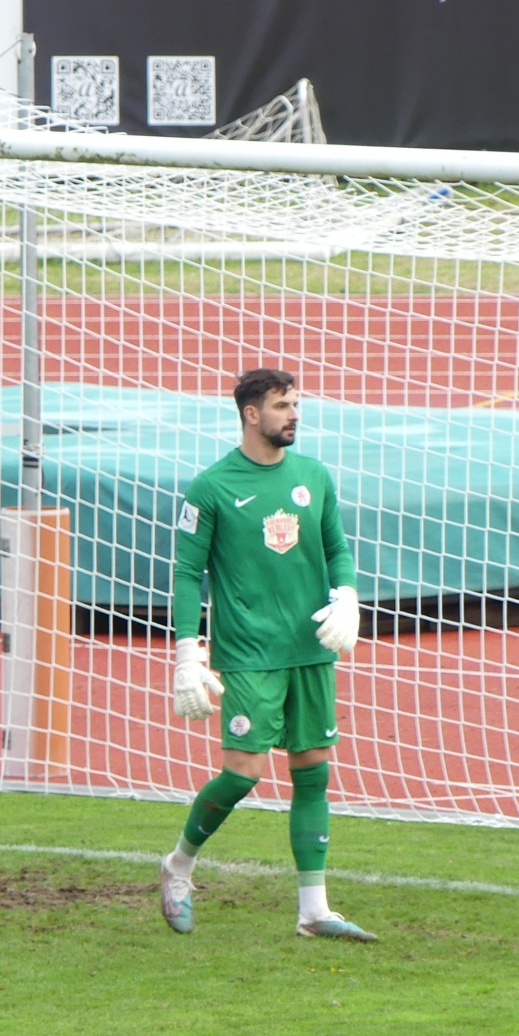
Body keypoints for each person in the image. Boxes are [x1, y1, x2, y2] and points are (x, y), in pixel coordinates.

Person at [160, 369, 376, 942]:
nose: (294, 415)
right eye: (282, 406)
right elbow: (186, 574)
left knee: (313, 770)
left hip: (310, 649)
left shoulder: (314, 476)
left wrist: (348, 595)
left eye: (296, 404)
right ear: (251, 414)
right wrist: (187, 654)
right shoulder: (211, 487)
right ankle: (178, 865)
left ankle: (314, 911)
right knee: (244, 774)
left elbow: (337, 548)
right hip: (249, 652)